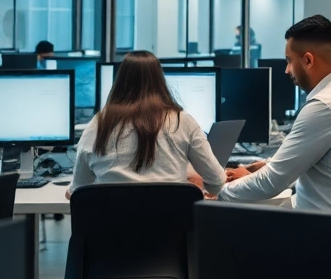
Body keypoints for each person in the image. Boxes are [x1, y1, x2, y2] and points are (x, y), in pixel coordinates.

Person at [219, 15, 331, 212]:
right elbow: (301, 160)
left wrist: (218, 192)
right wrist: (256, 168)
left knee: (226, 216)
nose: (286, 70)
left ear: (308, 60)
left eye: (289, 61)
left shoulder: (325, 105)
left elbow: (271, 182)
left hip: (319, 229)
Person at [69, 51, 227, 196]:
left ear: (119, 82)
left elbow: (77, 191)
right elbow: (217, 181)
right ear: (160, 81)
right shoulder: (183, 122)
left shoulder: (98, 125)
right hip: (173, 225)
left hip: (113, 226)